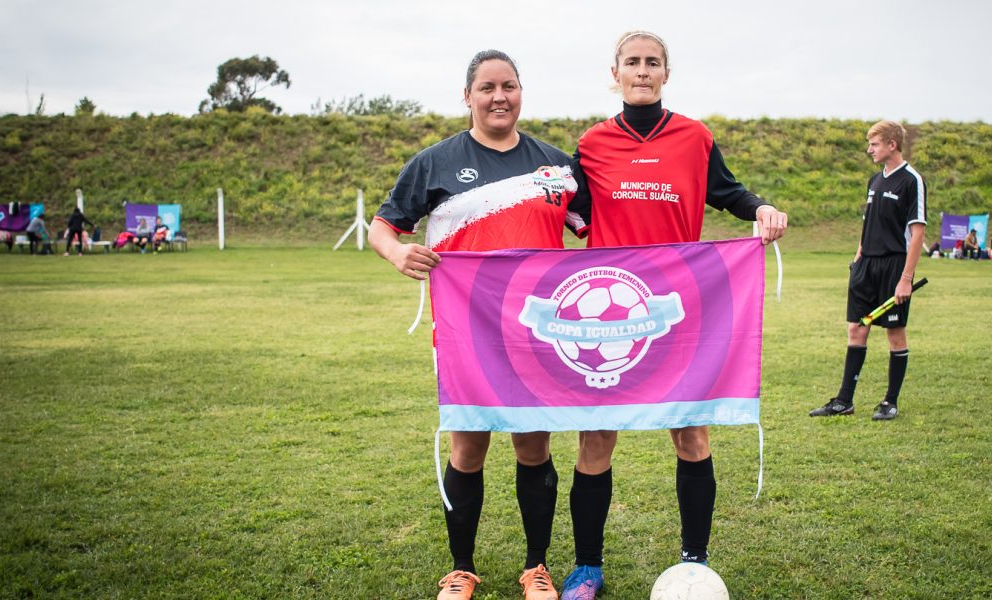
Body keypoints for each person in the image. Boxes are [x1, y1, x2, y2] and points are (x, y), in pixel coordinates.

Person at [561, 31, 787, 599]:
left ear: (666, 73)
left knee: (691, 433)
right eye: (632, 62)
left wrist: (761, 207)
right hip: (610, 316)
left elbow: (728, 192)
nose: (642, 71)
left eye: (652, 62)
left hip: (677, 309)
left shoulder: (695, 137)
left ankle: (694, 563)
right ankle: (587, 567)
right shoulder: (592, 143)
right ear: (615, 73)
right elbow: (567, 209)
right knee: (596, 439)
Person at [368, 49, 584, 600]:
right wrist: (397, 252)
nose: (499, 97)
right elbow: (383, 227)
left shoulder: (556, 167)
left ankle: (536, 568)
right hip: (465, 331)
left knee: (533, 448)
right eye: (487, 88)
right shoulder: (434, 163)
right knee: (468, 448)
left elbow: (601, 230)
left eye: (508, 86)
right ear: (467, 96)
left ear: (521, 92)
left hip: (536, 330)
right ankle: (461, 569)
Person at [810, 119, 926, 421]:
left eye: (874, 144)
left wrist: (906, 279)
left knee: (895, 334)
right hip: (866, 266)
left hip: (894, 266)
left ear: (892, 144)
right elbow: (869, 224)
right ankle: (844, 401)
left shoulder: (911, 180)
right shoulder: (874, 181)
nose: (869, 150)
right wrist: (858, 258)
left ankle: (890, 402)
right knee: (856, 329)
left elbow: (917, 234)